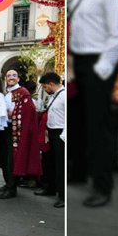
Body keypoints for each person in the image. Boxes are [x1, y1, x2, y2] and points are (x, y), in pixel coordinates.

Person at [56, 0, 118, 207]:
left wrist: (102, 70)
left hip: (97, 63)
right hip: (80, 63)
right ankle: (80, 172)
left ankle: (102, 185)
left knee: (98, 127)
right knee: (80, 123)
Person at [1, 69, 40, 199]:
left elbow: (29, 111)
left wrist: (14, 114)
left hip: (16, 132)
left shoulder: (23, 92)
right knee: (5, 160)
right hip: (6, 129)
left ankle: (12, 188)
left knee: (12, 160)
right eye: (8, 75)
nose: (11, 77)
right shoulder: (7, 93)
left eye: (14, 75)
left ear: (18, 79)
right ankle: (8, 184)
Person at [36, 72, 66, 209]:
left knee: (60, 166)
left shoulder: (64, 95)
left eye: (45, 86)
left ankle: (63, 196)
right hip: (51, 133)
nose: (44, 89)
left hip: (60, 134)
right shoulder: (54, 96)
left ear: (51, 84)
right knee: (49, 163)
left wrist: (63, 136)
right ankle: (50, 188)